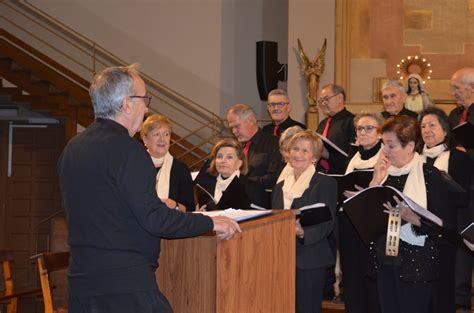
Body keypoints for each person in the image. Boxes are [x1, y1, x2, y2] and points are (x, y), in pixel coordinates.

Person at [57, 64, 241, 313]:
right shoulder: (129, 152)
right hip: (125, 286)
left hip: (82, 282)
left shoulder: (73, 149)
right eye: (144, 99)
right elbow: (155, 218)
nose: (147, 107)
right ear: (126, 103)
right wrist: (210, 223)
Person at [368, 115, 458, 313]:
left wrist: (416, 220)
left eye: (391, 145)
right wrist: (374, 183)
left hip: (418, 264)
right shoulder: (382, 173)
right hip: (385, 261)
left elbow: (448, 226)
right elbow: (367, 221)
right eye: (384, 144)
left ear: (409, 146)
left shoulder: (431, 176)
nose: (385, 151)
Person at [272, 130, 338, 313]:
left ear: (314, 157)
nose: (298, 155)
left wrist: (302, 233)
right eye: (295, 149)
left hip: (310, 258)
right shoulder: (279, 187)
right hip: (282, 257)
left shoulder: (325, 183)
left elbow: (327, 223)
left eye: (305, 151)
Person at [418, 107, 474, 313]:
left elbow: (465, 197)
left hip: (449, 231)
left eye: (432, 125)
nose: (427, 130)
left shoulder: (459, 158)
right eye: (423, 126)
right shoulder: (415, 158)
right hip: (419, 228)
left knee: (445, 286)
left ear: (445, 129)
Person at [339, 112, 384, 313]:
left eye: (369, 128)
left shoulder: (386, 156)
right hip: (349, 220)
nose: (363, 132)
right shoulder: (352, 157)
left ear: (381, 133)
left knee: (369, 275)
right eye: (359, 128)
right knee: (351, 275)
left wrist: (366, 192)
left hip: (371, 224)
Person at [140, 114, 194, 212]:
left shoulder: (181, 168)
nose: (162, 139)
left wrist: (175, 205)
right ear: (145, 139)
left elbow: (190, 209)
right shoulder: (135, 166)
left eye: (166, 134)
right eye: (156, 134)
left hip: (172, 225)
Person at [196, 138, 265, 210]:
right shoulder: (206, 190)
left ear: (239, 163)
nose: (223, 161)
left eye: (229, 157)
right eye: (219, 156)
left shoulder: (253, 188)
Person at [316, 84, 356, 175]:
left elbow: (354, 154)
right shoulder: (322, 123)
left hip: (340, 174)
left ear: (340, 98)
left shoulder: (352, 121)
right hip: (320, 173)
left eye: (326, 99)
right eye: (321, 101)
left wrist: (329, 155)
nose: (323, 103)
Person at [449, 67, 474, 160]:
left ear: (472, 87)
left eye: (456, 88)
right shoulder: (454, 114)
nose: (452, 93)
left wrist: (467, 152)